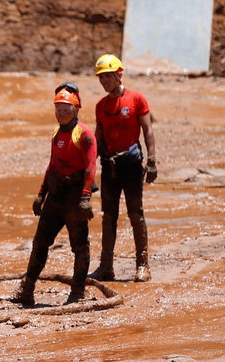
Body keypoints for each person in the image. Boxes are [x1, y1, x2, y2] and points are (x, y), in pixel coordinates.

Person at [11, 85, 96, 306]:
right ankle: (27, 291)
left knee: (79, 246)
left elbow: (90, 167)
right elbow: (52, 166)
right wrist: (41, 194)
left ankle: (77, 294)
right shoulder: (57, 133)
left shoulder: (85, 134)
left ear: (76, 109)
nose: (61, 113)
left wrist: (85, 198)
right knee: (40, 243)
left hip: (75, 197)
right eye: (58, 108)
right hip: (55, 196)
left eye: (66, 108)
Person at [89, 53, 157, 282]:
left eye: (108, 76)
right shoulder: (101, 106)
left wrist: (152, 160)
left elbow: (148, 131)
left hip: (131, 165)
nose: (104, 81)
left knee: (135, 214)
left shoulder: (137, 99)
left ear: (119, 75)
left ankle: (143, 265)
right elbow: (98, 138)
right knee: (108, 216)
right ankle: (106, 266)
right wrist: (89, 170)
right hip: (110, 166)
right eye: (101, 78)